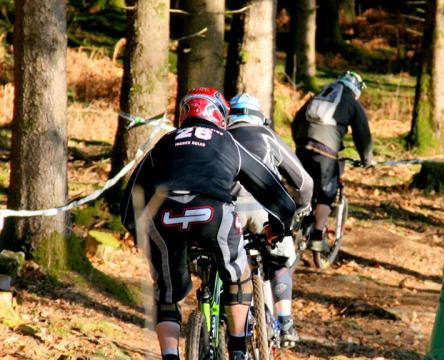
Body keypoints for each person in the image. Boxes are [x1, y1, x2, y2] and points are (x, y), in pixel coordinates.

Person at [120, 87, 296, 360]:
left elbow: (130, 200)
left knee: (166, 295)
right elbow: (273, 192)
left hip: (165, 218)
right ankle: (237, 350)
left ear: (185, 113)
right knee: (239, 278)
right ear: (219, 115)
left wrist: (139, 233)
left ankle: (170, 355)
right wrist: (278, 225)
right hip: (213, 214)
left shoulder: (165, 142)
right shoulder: (227, 141)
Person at [227, 93, 313, 348]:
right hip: (265, 209)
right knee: (280, 259)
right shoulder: (268, 136)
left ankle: (233, 317)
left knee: (228, 261)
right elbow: (303, 182)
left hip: (227, 211)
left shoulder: (220, 137)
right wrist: (301, 207)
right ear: (259, 117)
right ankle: (285, 323)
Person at [291, 71, 373, 251]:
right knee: (326, 193)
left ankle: (291, 225)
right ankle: (318, 237)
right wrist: (367, 160)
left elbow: (296, 120)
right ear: (356, 89)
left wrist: (300, 142)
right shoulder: (351, 101)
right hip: (326, 151)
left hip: (303, 145)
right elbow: (363, 134)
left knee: (303, 185)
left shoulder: (320, 94)